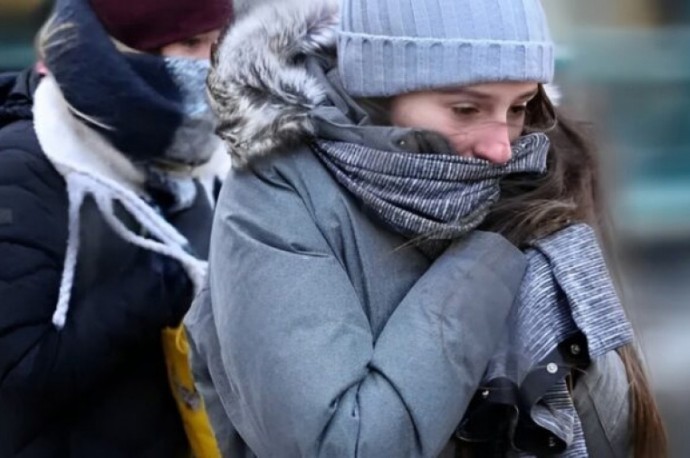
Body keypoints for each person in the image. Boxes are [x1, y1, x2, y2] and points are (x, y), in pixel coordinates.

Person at [186, 0, 667, 456]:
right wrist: (486, 260)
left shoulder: (530, 177)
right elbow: (345, 444)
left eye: (518, 107)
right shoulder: (275, 193)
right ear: (379, 90)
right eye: (466, 110)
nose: (501, 148)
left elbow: (614, 427)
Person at [0, 0, 232, 456]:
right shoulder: (24, 166)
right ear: (124, 48)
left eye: (217, 44)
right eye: (190, 43)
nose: (209, 64)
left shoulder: (201, 154)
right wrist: (163, 281)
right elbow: (19, 375)